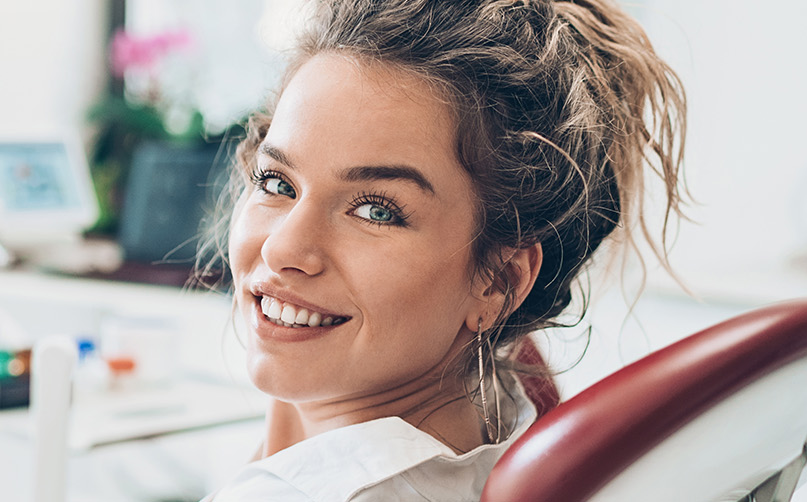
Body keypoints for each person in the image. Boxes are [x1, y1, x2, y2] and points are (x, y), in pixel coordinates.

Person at [199, 0, 686, 499]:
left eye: (376, 211)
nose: (284, 247)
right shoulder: (494, 412)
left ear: (498, 280)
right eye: (277, 182)